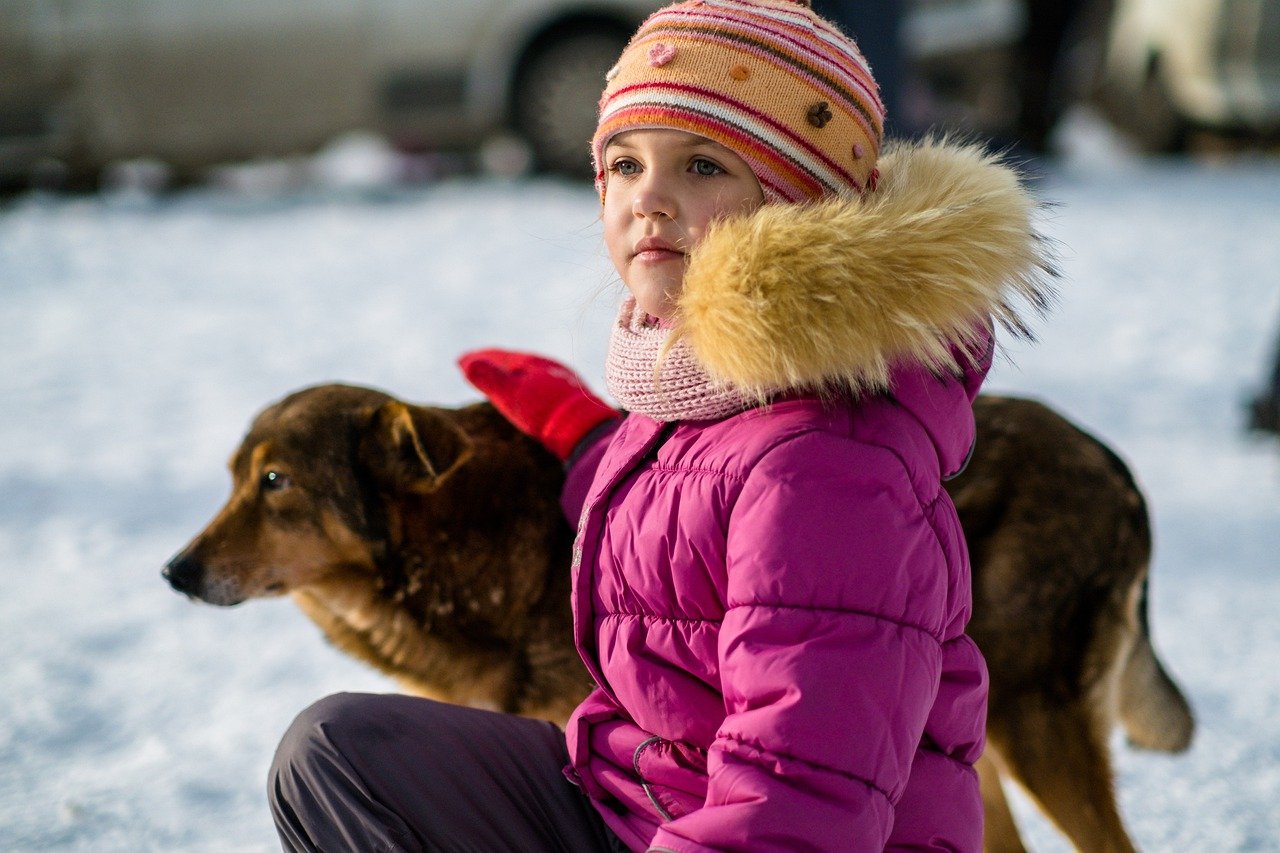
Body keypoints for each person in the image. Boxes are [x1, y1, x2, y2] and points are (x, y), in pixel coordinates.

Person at [268, 0, 1056, 849]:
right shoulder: (712, 383)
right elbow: (707, 511)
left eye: (704, 165)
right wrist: (584, 439)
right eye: (625, 162)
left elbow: (792, 805)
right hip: (641, 797)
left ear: (800, 207)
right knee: (341, 756)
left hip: (762, 833)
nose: (649, 197)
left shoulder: (831, 467)